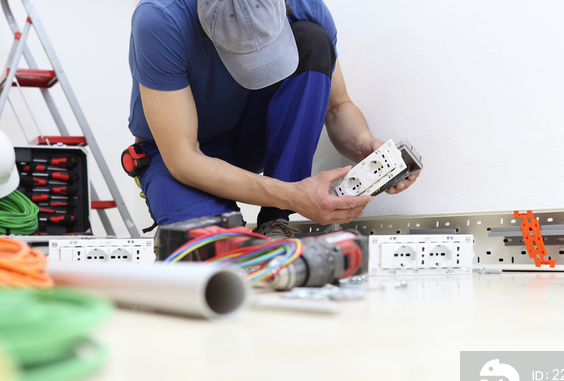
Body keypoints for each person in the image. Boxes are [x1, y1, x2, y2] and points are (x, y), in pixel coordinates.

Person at [127, 0, 418, 238]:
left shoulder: (305, 6)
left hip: (246, 133)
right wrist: (293, 194)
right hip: (179, 155)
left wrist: (364, 145)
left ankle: (275, 221)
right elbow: (184, 158)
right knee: (214, 250)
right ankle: (257, 213)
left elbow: (337, 106)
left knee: (312, 41)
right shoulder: (161, 19)